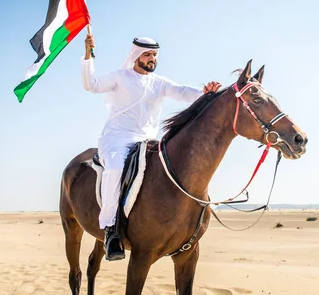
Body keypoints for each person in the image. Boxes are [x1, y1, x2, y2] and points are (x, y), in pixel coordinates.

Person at [81, 33, 221, 261]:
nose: (152, 59)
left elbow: (183, 92)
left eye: (154, 55)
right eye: (147, 55)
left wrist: (205, 94)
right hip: (117, 139)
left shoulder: (160, 83)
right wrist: (88, 55)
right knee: (116, 168)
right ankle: (111, 229)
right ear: (136, 56)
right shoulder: (119, 77)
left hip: (147, 141)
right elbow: (91, 85)